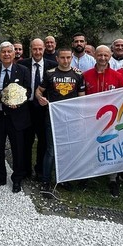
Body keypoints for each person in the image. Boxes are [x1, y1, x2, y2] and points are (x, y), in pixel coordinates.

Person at [36, 47, 85, 196]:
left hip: (70, 118)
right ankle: (46, 181)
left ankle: (64, 178)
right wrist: (40, 98)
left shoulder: (78, 75)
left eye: (68, 57)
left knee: (67, 149)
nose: (65, 60)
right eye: (62, 58)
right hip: (52, 117)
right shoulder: (50, 74)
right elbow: (38, 91)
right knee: (51, 150)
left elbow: (82, 97)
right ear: (57, 58)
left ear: (72, 58)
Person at [0, 41, 31, 193]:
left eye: (9, 52)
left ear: (13, 54)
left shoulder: (23, 70)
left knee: (18, 149)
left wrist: (18, 103)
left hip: (16, 117)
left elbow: (28, 91)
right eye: (3, 52)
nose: (6, 54)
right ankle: (0, 177)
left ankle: (17, 179)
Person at [82, 45, 123, 196]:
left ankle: (113, 179)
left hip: (111, 120)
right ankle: (87, 175)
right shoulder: (86, 75)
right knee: (90, 146)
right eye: (100, 55)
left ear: (110, 56)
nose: (102, 58)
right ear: (95, 55)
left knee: (111, 147)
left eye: (105, 55)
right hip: (91, 119)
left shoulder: (117, 76)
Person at [21, 38, 56, 179]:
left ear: (44, 49)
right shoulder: (23, 65)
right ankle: (26, 170)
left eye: (40, 49)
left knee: (43, 141)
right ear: (31, 49)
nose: (37, 52)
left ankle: (40, 169)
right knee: (26, 141)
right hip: (27, 108)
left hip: (44, 109)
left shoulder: (53, 66)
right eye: (34, 49)